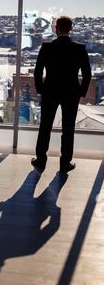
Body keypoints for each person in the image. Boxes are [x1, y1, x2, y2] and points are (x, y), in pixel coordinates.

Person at [31, 16, 91, 173]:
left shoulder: (46, 47)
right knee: (68, 128)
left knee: (45, 126)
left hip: (50, 91)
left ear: (56, 28)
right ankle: (65, 162)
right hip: (71, 92)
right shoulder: (79, 48)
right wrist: (81, 92)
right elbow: (87, 74)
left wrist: (40, 89)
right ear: (70, 28)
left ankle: (41, 160)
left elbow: (37, 72)